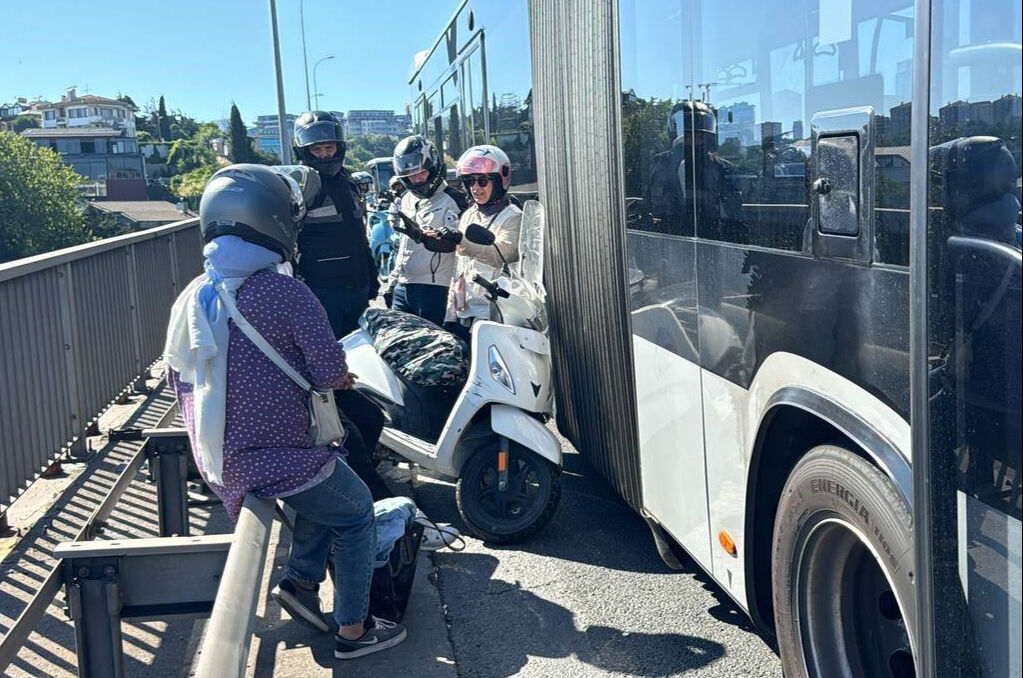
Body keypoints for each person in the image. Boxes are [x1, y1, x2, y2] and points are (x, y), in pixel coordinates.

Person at [163, 163, 405, 659]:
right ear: (274, 222)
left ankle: (299, 584)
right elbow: (326, 372)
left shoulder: (195, 295)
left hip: (226, 461)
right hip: (278, 456)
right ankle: (354, 631)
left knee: (325, 478)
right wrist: (341, 376)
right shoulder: (285, 291)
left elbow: (178, 378)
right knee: (357, 511)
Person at [292, 110, 379, 337]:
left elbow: (358, 233)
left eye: (329, 148)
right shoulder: (301, 185)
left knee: (360, 352)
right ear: (304, 151)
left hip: (357, 285)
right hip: (322, 289)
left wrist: (371, 274)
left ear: (339, 147)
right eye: (317, 149)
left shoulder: (347, 181)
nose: (324, 155)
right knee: (328, 357)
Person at [385, 134, 468, 326]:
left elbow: (462, 246)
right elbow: (404, 244)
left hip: (436, 288)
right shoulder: (406, 199)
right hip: (403, 286)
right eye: (411, 176)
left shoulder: (457, 200)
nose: (417, 179)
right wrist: (393, 281)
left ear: (434, 167)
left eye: (422, 173)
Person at [442, 145, 521, 342]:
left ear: (499, 179)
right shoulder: (469, 214)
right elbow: (459, 270)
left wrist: (462, 240)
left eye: (482, 180)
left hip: (494, 314)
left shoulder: (513, 217)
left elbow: (502, 254)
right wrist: (450, 315)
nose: (475, 187)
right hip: (465, 312)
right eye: (469, 181)